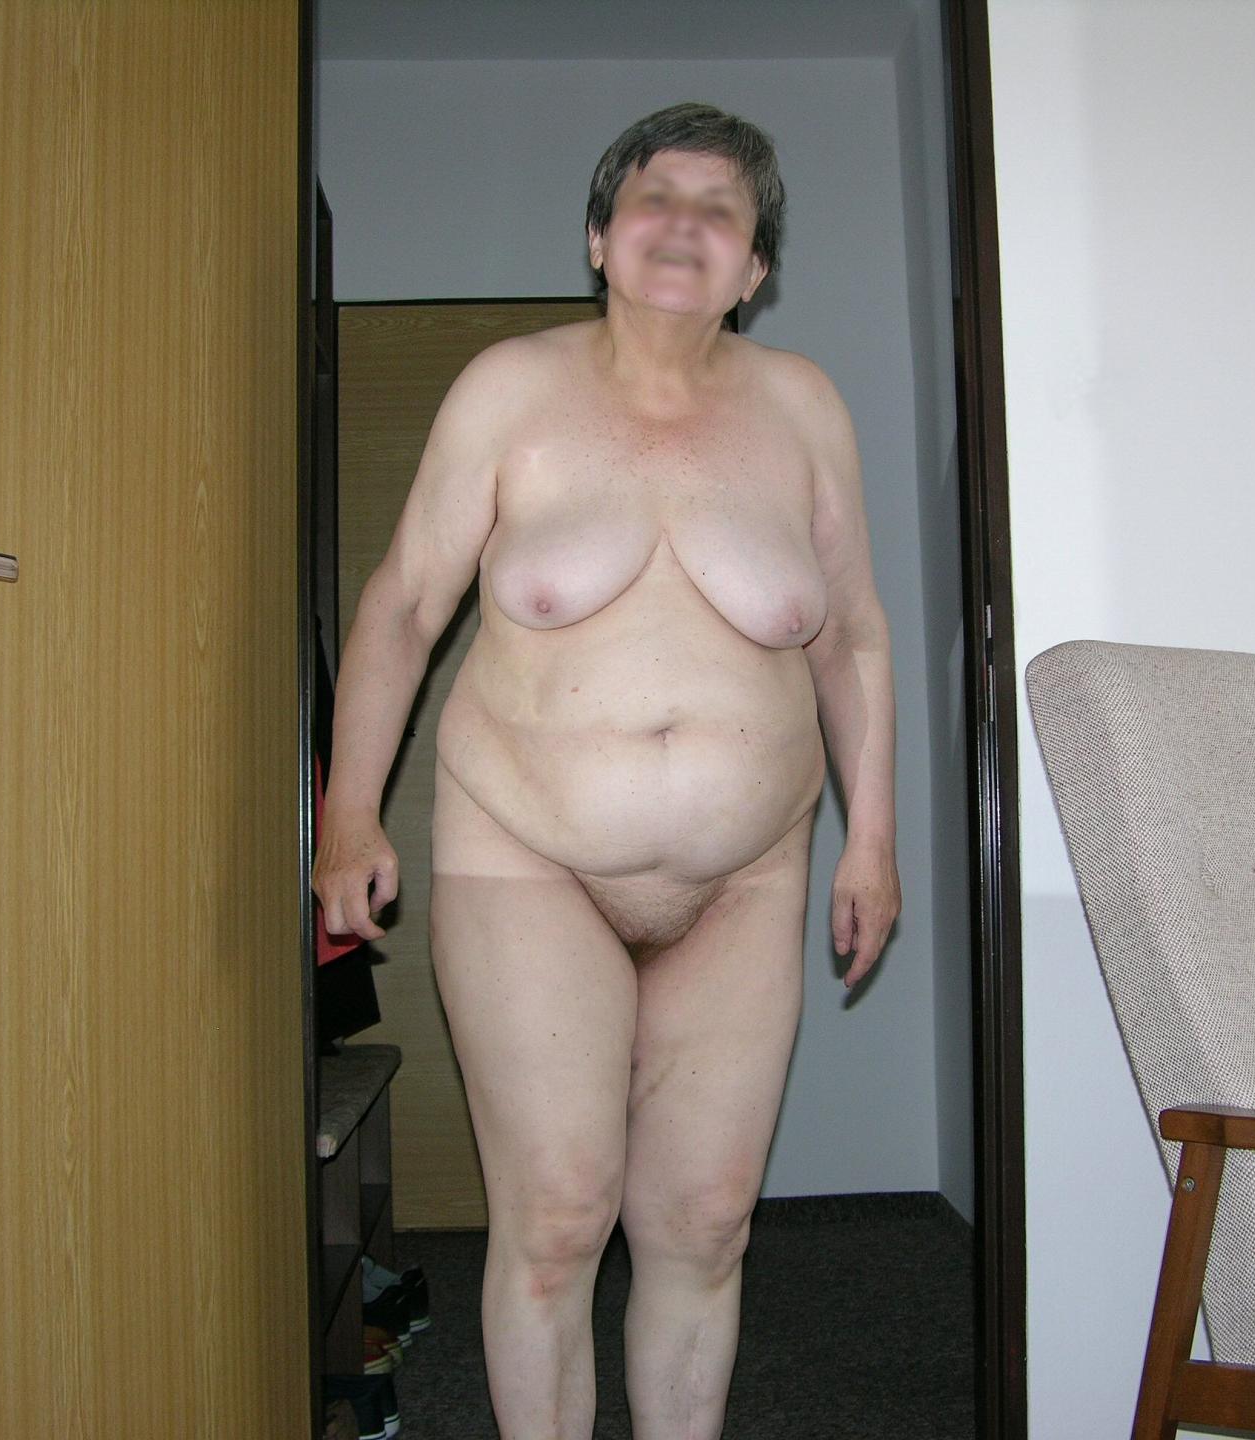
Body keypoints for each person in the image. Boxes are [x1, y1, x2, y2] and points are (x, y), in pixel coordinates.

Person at [311, 100, 900, 1440]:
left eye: (721, 208)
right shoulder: (509, 390)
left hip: (747, 876)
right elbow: (403, 604)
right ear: (598, 235)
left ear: (755, 266)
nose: (684, 224)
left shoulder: (803, 407)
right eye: (655, 197)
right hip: (529, 858)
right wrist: (348, 812)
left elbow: (854, 633)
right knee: (558, 1217)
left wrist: (873, 840)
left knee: (706, 1222)